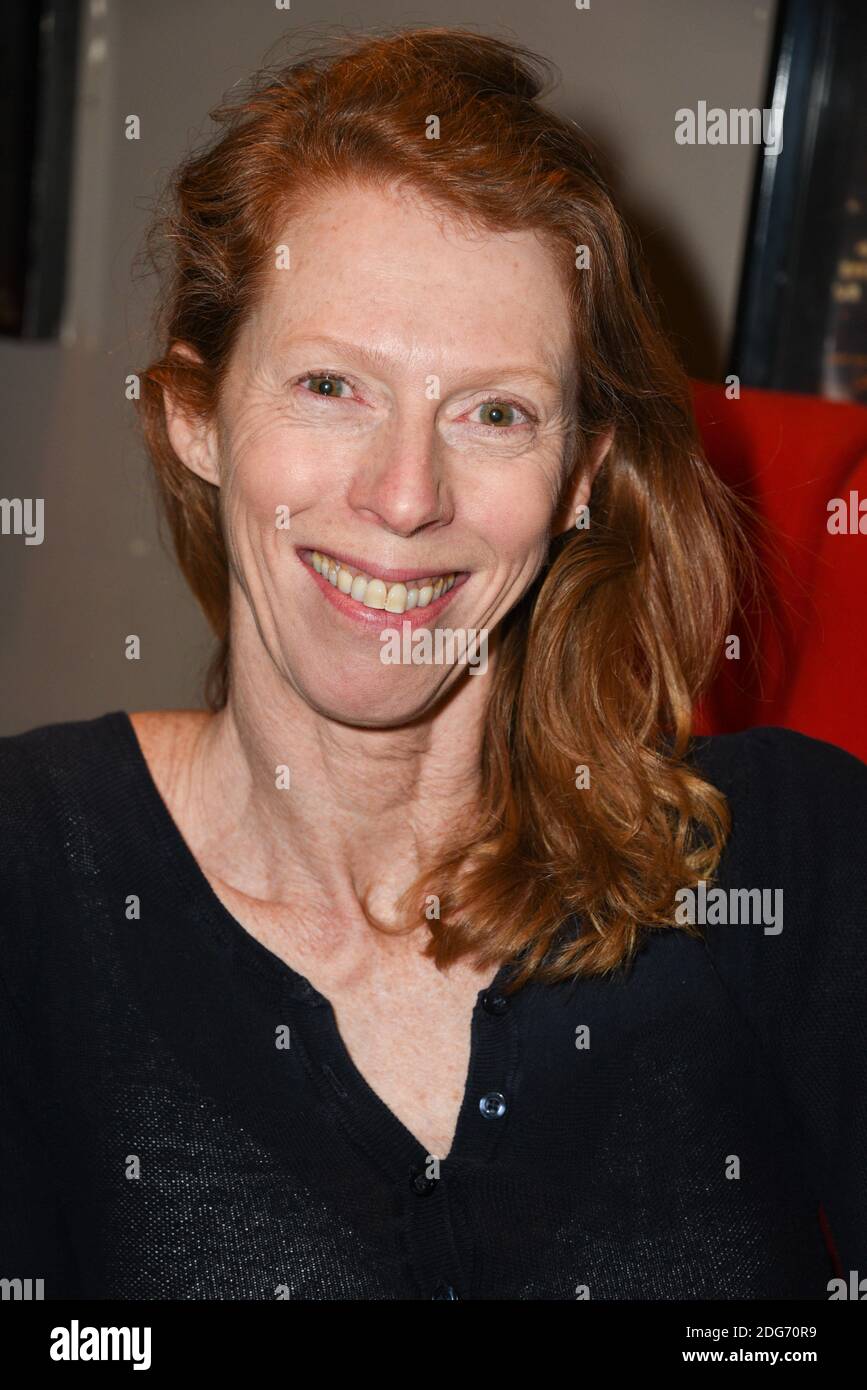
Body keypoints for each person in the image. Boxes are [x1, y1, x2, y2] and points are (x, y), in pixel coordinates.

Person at [1, 25, 864, 1302]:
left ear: (579, 478)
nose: (407, 496)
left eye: (495, 412)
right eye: (331, 386)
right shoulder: (31, 882)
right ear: (196, 419)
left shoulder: (789, 857)